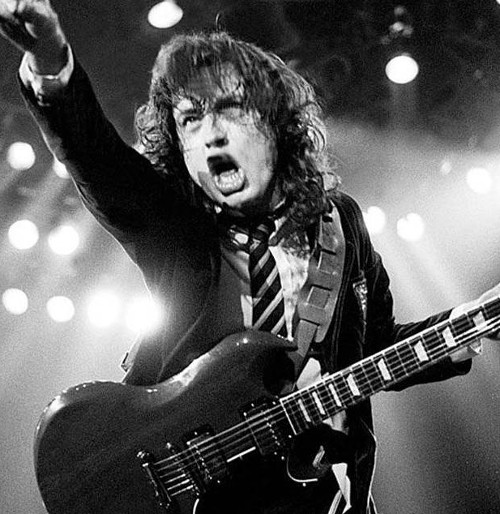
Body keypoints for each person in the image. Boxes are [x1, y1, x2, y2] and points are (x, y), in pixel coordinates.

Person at [1, 1, 499, 513]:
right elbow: (95, 157)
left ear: (276, 124)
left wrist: (469, 323)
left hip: (313, 491)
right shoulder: (174, 224)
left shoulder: (340, 225)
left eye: (232, 109)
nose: (212, 133)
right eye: (191, 119)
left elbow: (374, 344)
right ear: (180, 147)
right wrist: (50, 61)